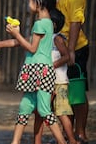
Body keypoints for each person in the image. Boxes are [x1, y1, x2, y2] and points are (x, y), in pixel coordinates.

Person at [0, 0, 67, 144]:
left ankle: (63, 142)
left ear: (40, 1)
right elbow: (21, 42)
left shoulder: (41, 24)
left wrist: (16, 33)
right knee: (25, 107)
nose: (28, 1)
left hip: (40, 71)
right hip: (36, 71)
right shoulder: (46, 23)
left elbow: (31, 47)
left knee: (44, 110)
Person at [41, 0, 89, 144]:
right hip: (60, 47)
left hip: (76, 48)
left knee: (76, 91)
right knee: (62, 90)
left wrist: (70, 51)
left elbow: (76, 23)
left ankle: (80, 132)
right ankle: (68, 134)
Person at [33, 9, 80, 144]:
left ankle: (71, 140)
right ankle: (37, 141)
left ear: (52, 24)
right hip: (46, 81)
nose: (39, 21)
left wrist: (51, 66)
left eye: (42, 19)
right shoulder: (43, 38)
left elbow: (66, 57)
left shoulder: (57, 38)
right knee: (40, 111)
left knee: (62, 112)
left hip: (58, 82)